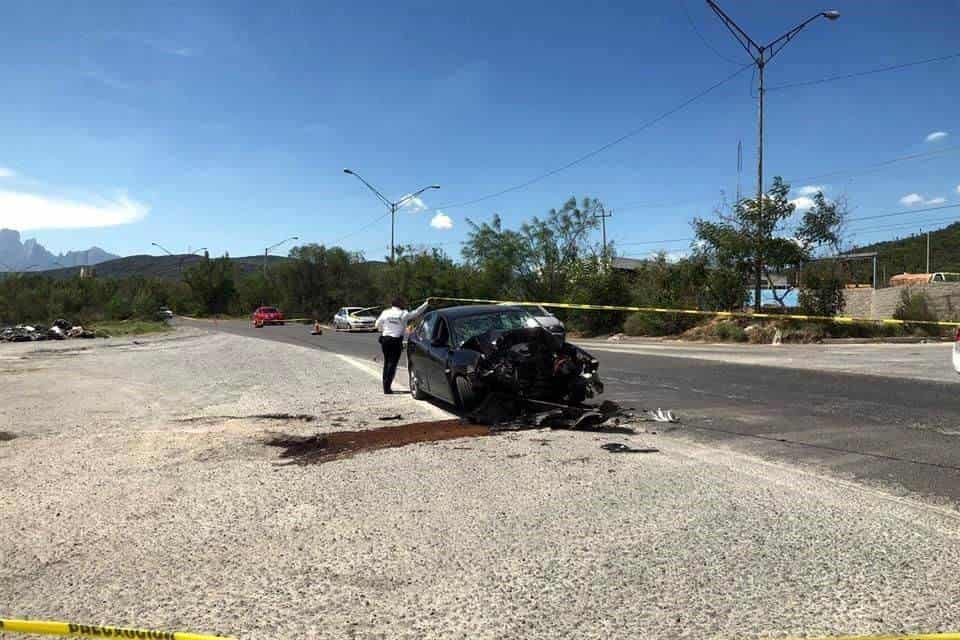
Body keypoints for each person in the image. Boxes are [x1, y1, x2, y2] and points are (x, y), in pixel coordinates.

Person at [374, 296, 430, 394]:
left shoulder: (385, 312)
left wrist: (383, 329)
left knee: (387, 362)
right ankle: (387, 388)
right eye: (404, 303)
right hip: (396, 341)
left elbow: (377, 324)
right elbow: (417, 312)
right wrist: (427, 303)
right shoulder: (404, 314)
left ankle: (385, 386)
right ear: (400, 304)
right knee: (392, 364)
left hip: (385, 340)